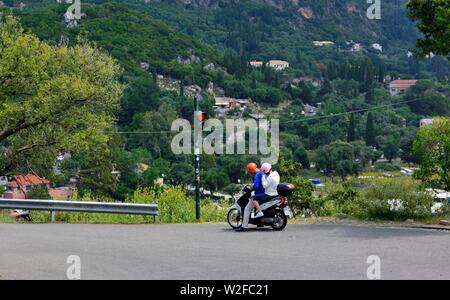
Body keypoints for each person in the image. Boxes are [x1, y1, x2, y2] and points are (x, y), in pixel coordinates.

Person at [237, 162, 280, 232]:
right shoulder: (271, 174)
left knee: (247, 209)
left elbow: (257, 186)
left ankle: (244, 226)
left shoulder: (257, 175)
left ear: (251, 171)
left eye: (249, 171)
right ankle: (260, 223)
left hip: (263, 194)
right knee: (255, 204)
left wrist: (251, 188)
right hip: (271, 193)